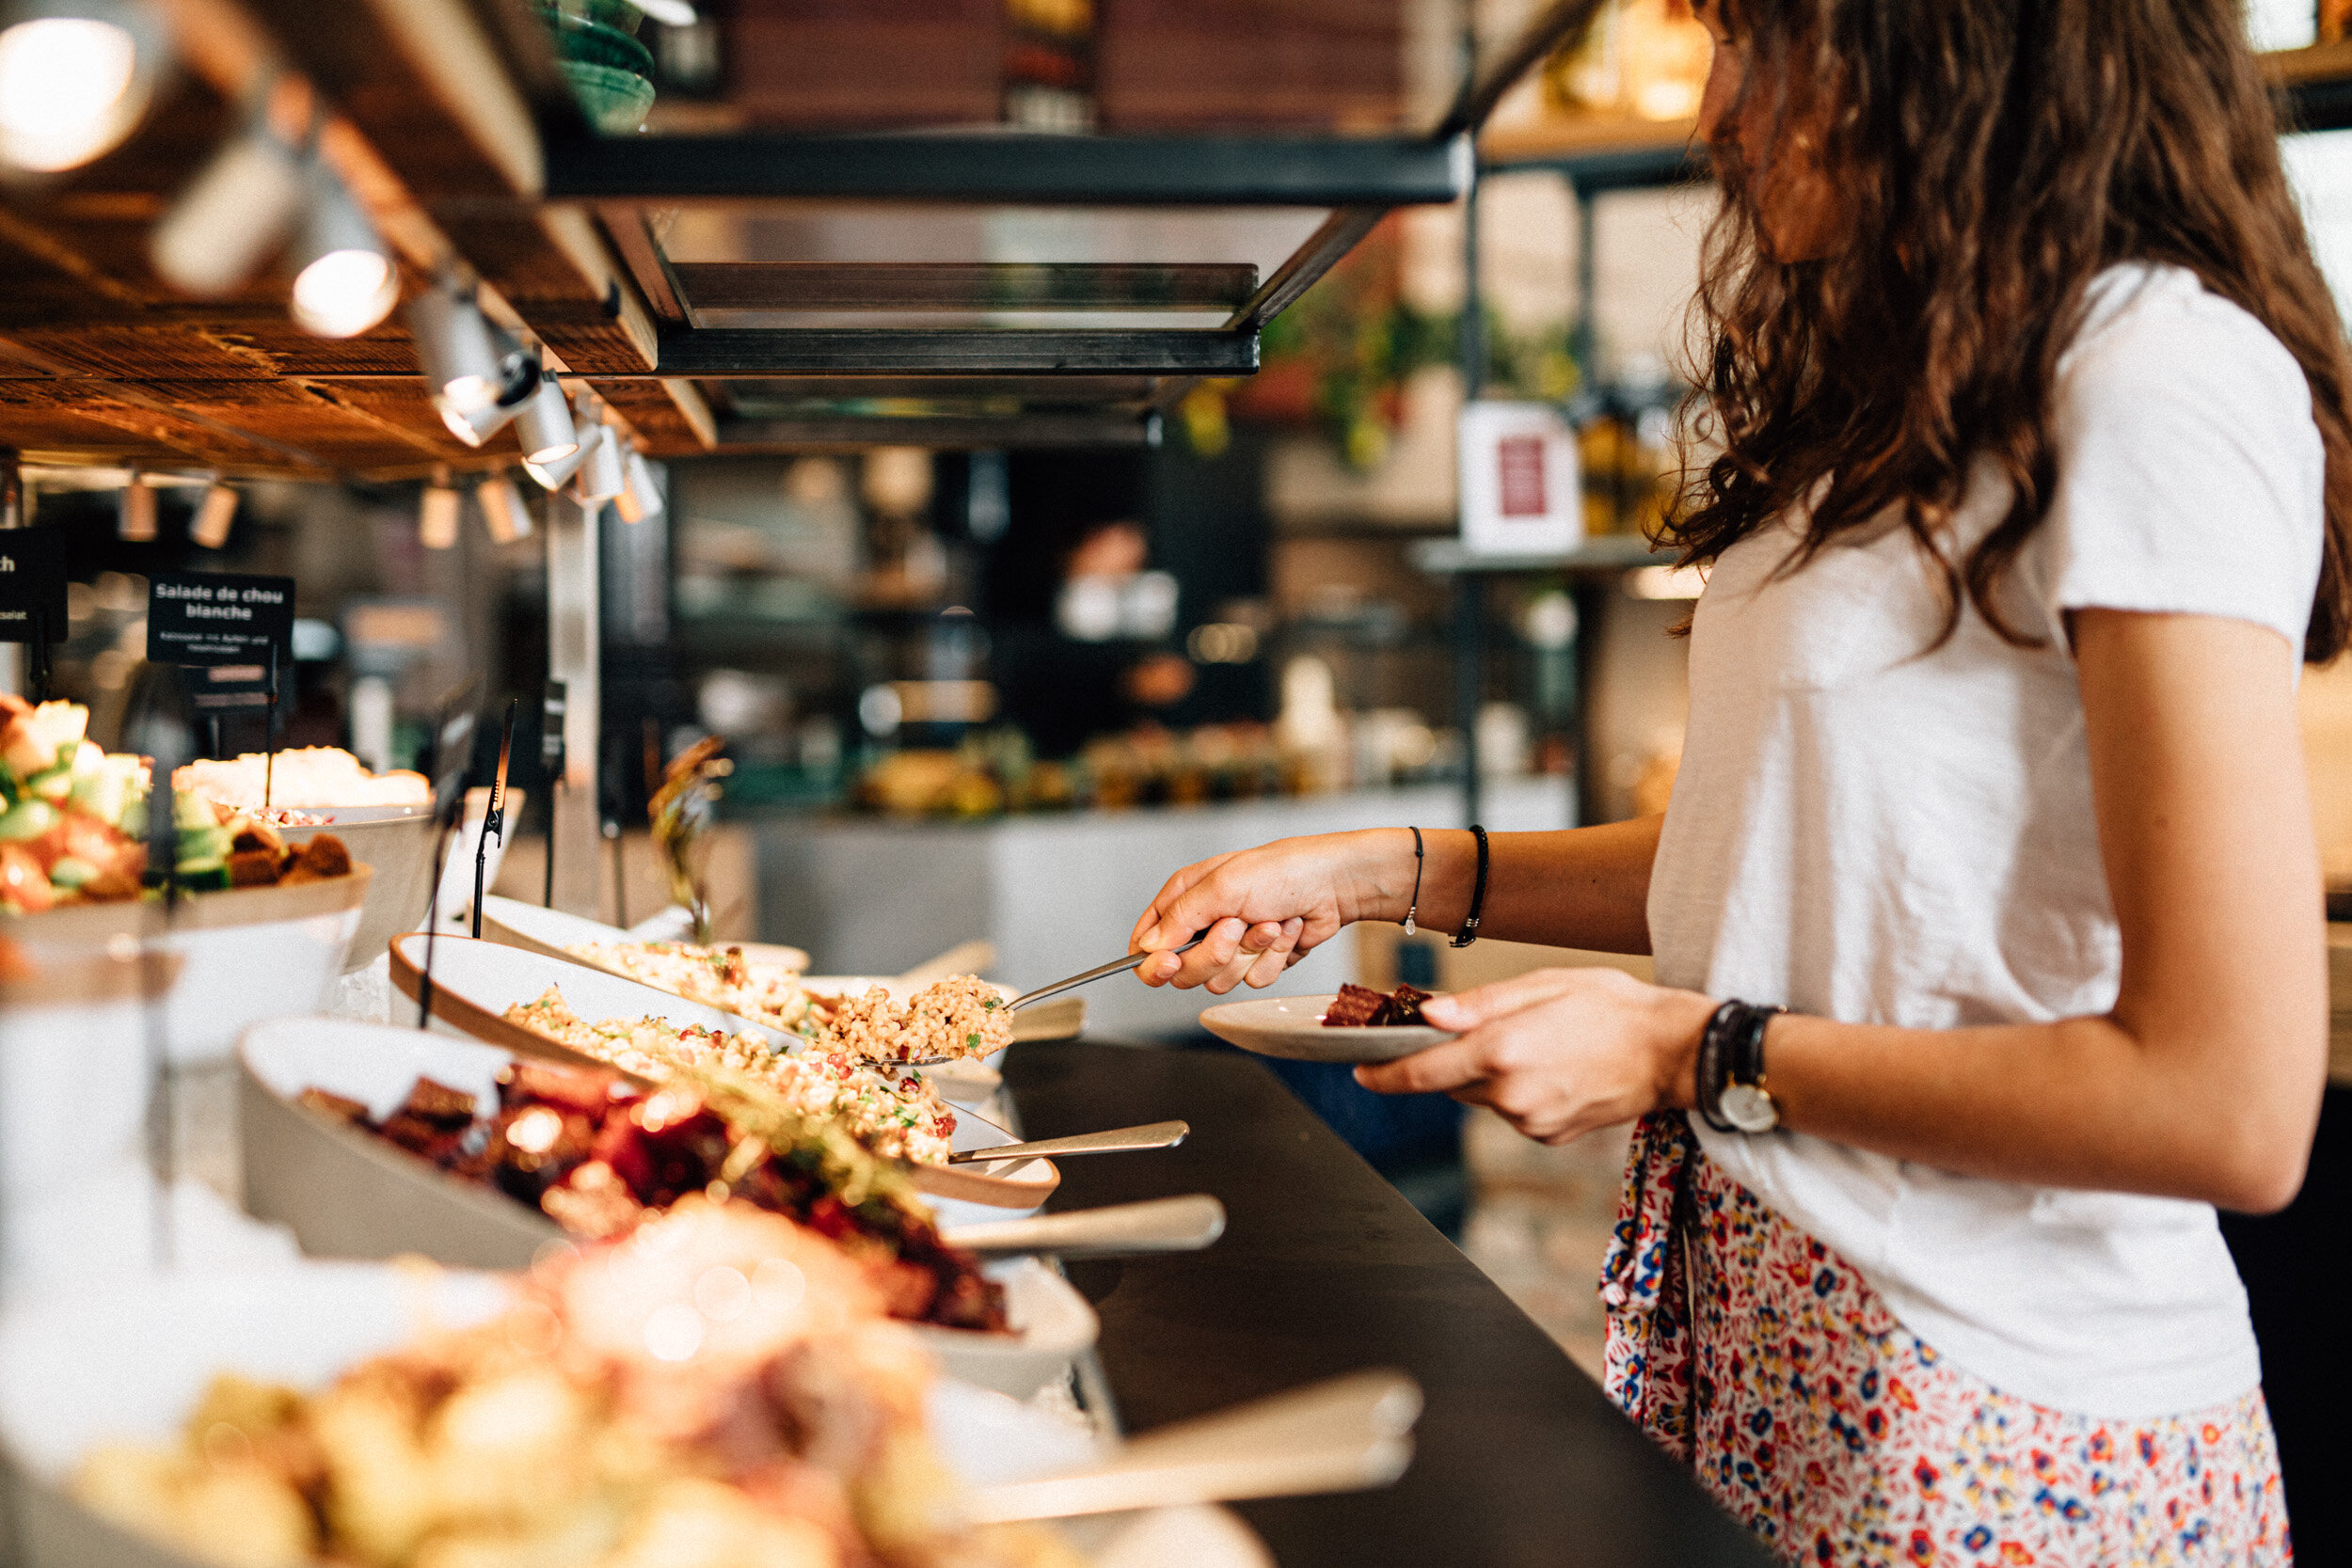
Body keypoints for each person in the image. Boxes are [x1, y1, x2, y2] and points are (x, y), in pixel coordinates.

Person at [1126, 2, 2348, 1560]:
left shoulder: (2154, 376)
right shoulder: (1896, 394)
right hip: (1779, 1361)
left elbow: (2226, 1104)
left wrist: (1688, 1051)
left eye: (1761, 44)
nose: (1719, 110)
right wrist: (1385, 869)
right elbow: (1782, 851)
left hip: (2009, 1423)